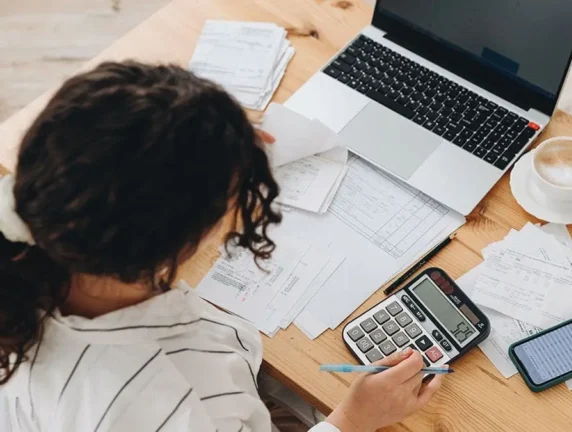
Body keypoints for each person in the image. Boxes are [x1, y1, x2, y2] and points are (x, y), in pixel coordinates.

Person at [0, 61, 443, 432]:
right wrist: (350, 419)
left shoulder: (35, 227)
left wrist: (215, 132)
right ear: (177, 243)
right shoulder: (149, 404)